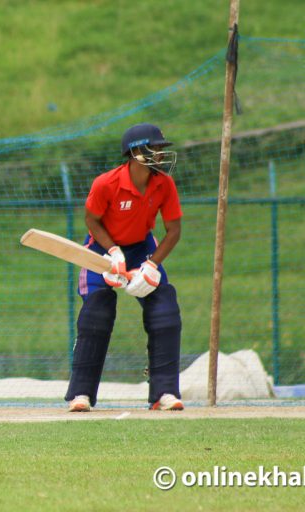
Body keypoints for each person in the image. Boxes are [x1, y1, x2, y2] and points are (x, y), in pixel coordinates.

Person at [66, 123, 184, 412]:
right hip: (101, 248)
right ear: (135, 152)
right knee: (96, 314)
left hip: (143, 248)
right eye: (154, 148)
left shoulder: (164, 184)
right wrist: (113, 252)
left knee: (165, 311)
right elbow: (92, 220)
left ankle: (164, 393)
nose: (160, 154)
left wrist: (151, 264)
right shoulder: (106, 183)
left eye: (160, 149)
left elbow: (174, 230)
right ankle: (80, 394)